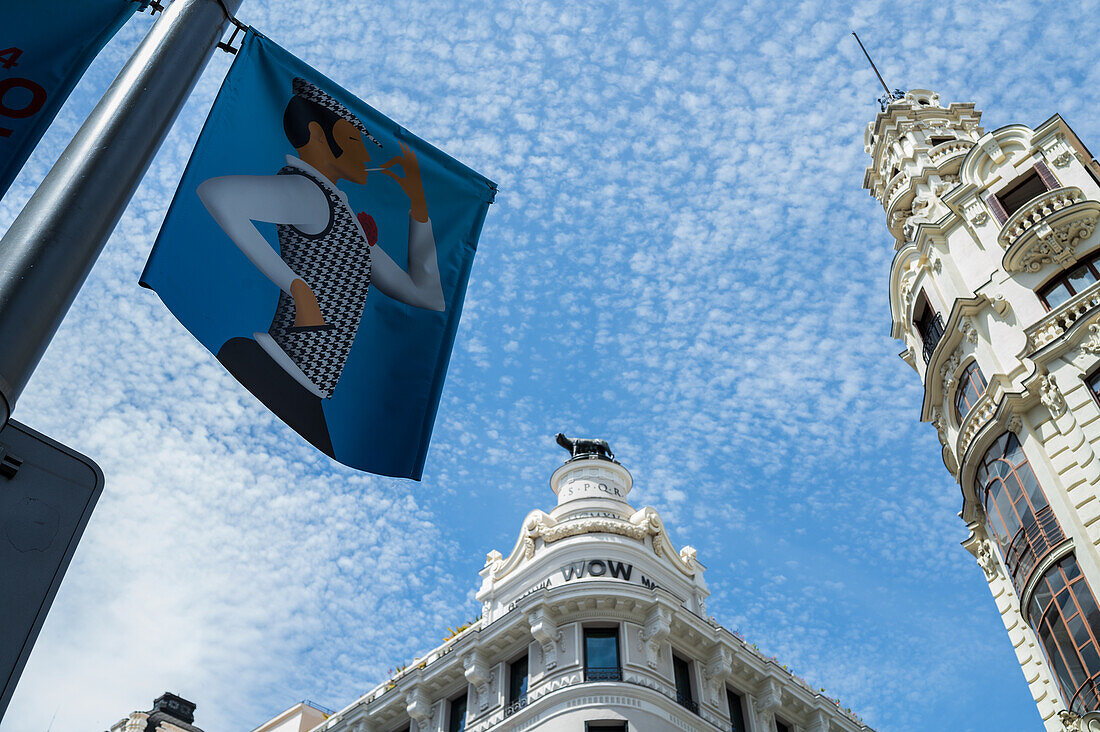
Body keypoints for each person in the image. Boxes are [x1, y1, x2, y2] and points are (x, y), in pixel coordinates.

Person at [197, 77, 445, 456]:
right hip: (278, 371)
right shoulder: (308, 193)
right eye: (352, 141)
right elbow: (215, 194)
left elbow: (424, 294)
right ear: (316, 134)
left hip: (307, 387)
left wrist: (418, 206)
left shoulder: (341, 214)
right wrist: (295, 286)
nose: (364, 155)